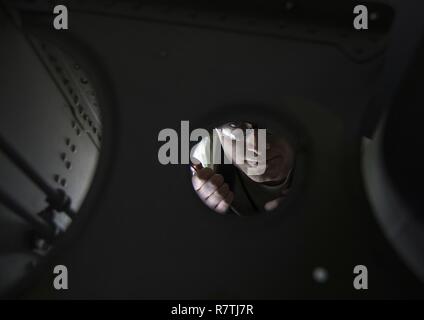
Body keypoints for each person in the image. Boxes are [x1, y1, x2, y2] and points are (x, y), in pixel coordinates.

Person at [191, 122, 295, 215]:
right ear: (217, 132)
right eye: (235, 127)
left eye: (267, 122)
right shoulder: (204, 160)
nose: (256, 146)